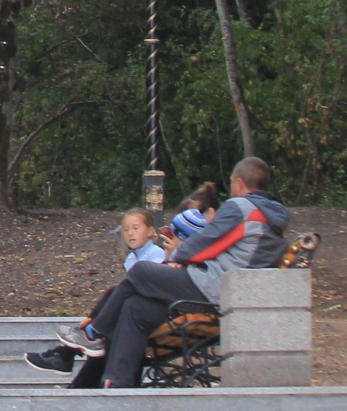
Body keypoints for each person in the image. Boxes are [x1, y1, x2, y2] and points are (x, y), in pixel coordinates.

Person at [63, 157, 289, 389]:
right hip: (228, 292)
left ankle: (93, 333)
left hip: (213, 289)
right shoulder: (272, 217)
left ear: (239, 183)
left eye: (232, 184)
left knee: (141, 272)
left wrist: (180, 257)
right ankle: (119, 383)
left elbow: (207, 242)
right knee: (134, 307)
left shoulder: (241, 207)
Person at [23, 206, 173, 375]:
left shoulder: (157, 255)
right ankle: (73, 348)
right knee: (113, 298)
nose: (130, 233)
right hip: (130, 310)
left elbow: (150, 290)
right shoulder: (132, 258)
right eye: (126, 229)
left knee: (113, 297)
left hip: (147, 312)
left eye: (136, 228)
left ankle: (74, 348)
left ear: (151, 232)